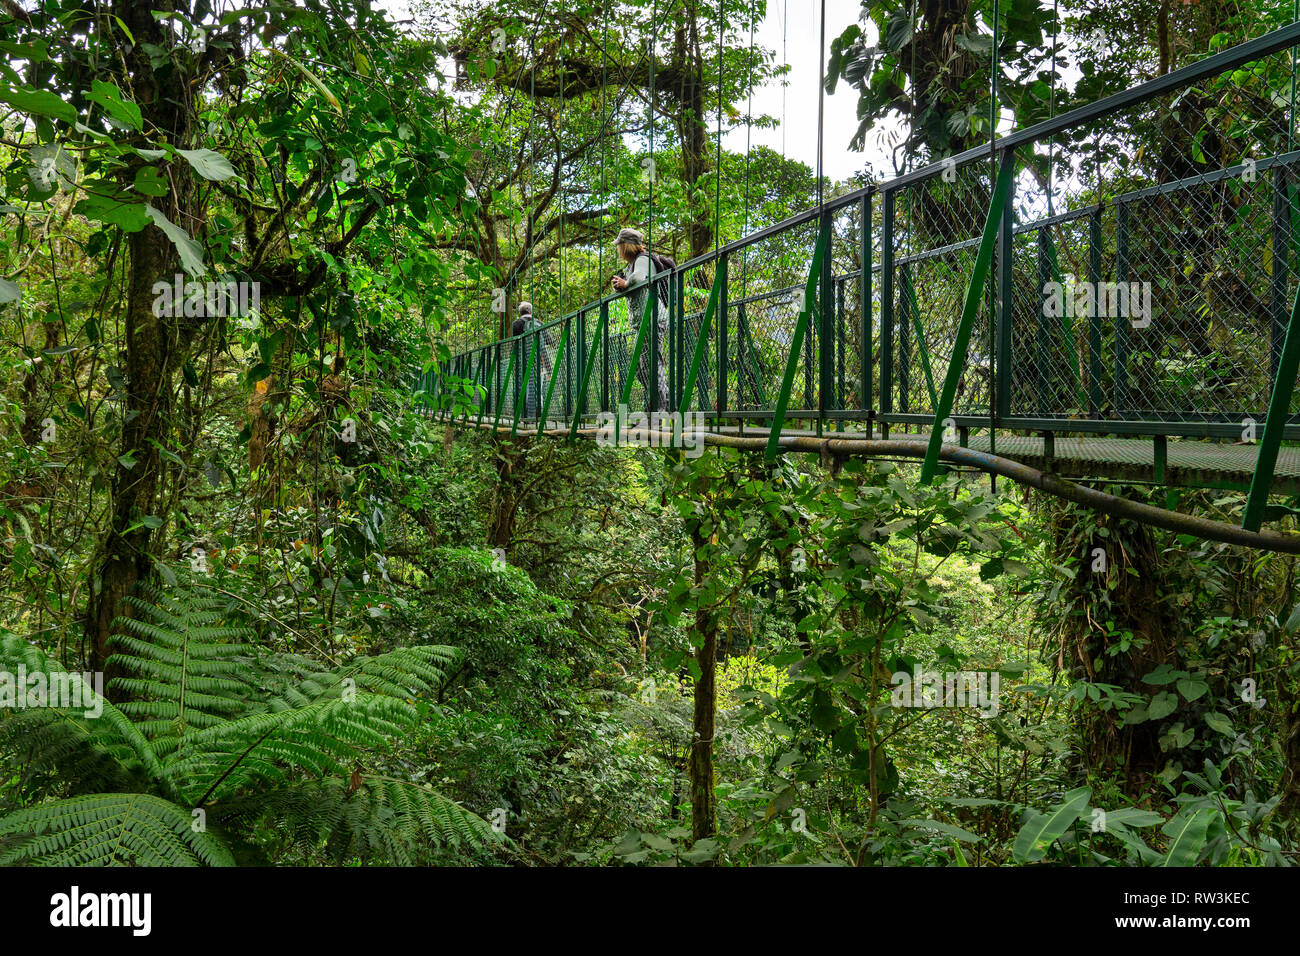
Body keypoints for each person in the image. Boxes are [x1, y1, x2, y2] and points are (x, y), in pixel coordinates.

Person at [611, 227, 670, 413]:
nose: (617, 249)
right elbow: (632, 283)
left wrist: (626, 283)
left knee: (652, 365)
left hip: (653, 319)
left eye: (619, 245)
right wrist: (620, 286)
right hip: (644, 322)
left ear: (626, 246)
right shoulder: (630, 265)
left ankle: (662, 410)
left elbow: (638, 277)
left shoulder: (644, 259)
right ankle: (661, 403)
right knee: (641, 368)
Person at [511, 301, 550, 420]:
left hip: (522, 364)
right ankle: (539, 417)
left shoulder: (516, 324)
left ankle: (525, 417)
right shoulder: (539, 323)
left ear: (520, 312)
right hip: (538, 364)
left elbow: (513, 344)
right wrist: (549, 368)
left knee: (525, 390)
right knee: (538, 391)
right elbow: (548, 342)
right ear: (531, 311)